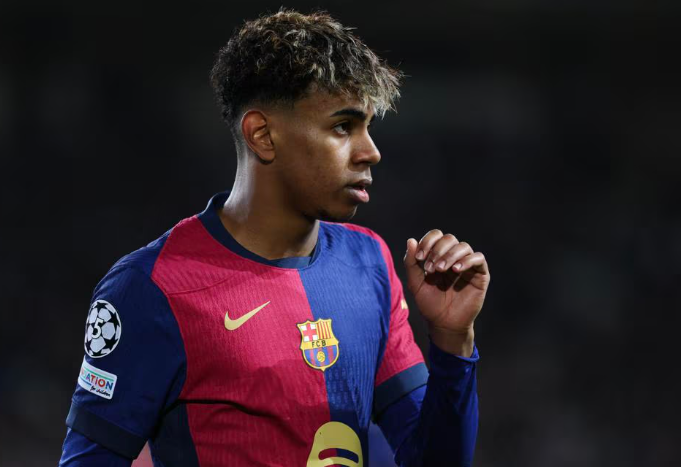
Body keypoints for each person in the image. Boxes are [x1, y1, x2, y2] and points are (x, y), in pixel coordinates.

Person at [59, 9, 490, 467]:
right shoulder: (152, 288)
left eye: (368, 127)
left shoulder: (370, 263)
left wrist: (452, 340)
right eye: (342, 127)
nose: (371, 151)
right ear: (262, 135)